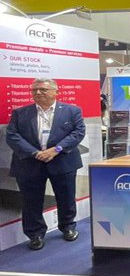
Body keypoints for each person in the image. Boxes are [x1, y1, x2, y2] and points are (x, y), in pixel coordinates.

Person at [6, 78, 85, 250]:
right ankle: (35, 234)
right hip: (29, 163)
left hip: (62, 161)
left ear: (56, 92)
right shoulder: (20, 113)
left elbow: (78, 133)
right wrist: (35, 153)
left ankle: (67, 227)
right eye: (34, 90)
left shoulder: (72, 111)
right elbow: (12, 136)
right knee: (31, 201)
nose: (38, 93)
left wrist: (56, 149)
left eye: (43, 89)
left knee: (66, 197)